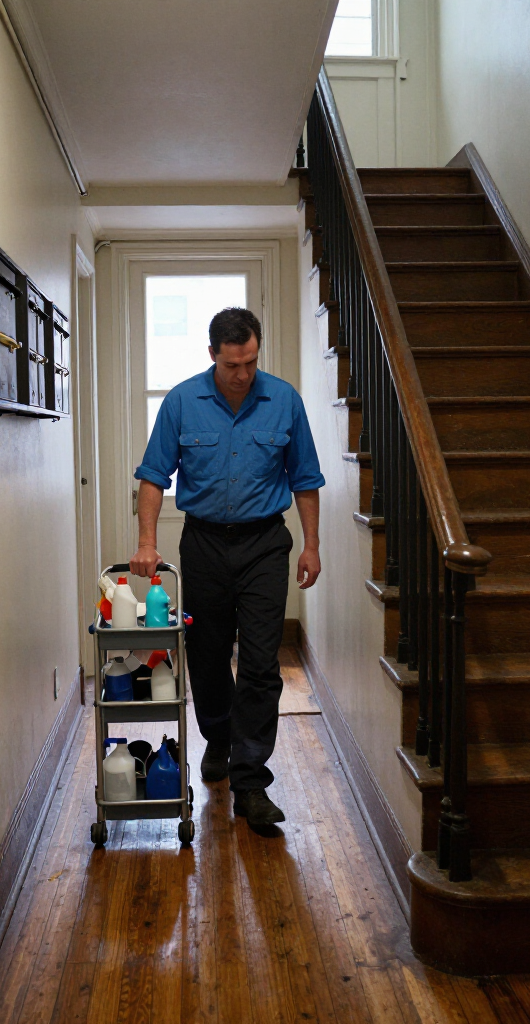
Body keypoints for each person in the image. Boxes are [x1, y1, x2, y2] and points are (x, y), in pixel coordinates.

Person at [130, 307, 324, 827]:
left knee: (262, 664)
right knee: (208, 654)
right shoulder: (181, 402)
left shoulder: (283, 400)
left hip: (264, 544)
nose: (243, 373)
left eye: (251, 362)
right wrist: (146, 541)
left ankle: (251, 780)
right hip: (205, 545)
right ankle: (218, 736)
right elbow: (153, 475)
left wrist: (312, 544)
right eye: (233, 363)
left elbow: (305, 477)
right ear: (213, 355)